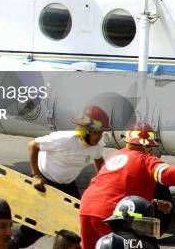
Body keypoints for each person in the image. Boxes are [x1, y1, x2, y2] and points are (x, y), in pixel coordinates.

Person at [10, 106, 110, 248]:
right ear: (86, 131)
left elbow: (99, 159)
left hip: (68, 185)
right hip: (45, 183)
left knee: (76, 225)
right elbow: (32, 146)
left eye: (101, 133)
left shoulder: (96, 144)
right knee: (34, 229)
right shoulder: (64, 139)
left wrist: (102, 182)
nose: (99, 137)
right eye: (97, 133)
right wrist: (36, 175)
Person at [79, 121, 175, 249]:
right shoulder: (145, 159)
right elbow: (166, 175)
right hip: (110, 214)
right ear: (147, 146)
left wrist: (154, 203)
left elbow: (118, 188)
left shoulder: (114, 156)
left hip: (86, 208)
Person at [95, 196, 160, 249]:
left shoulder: (106, 242)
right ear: (128, 223)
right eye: (144, 224)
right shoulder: (150, 245)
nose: (147, 227)